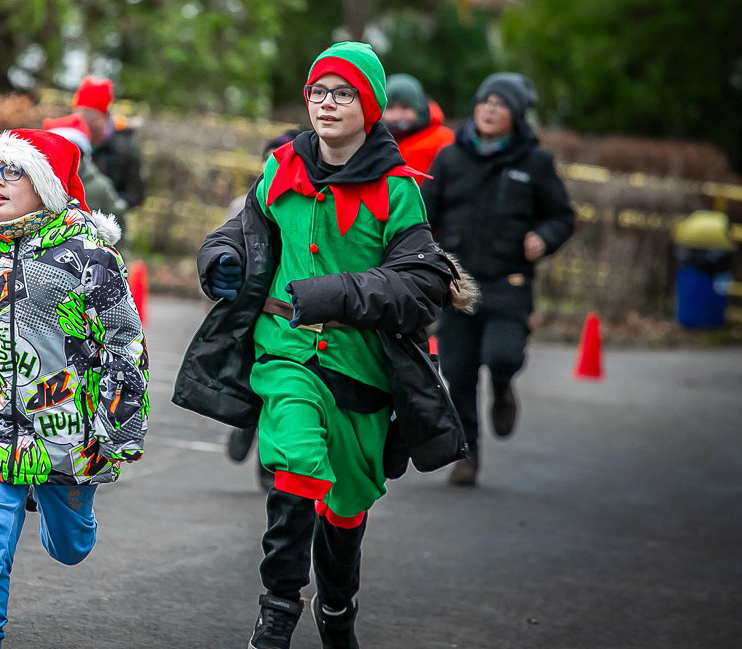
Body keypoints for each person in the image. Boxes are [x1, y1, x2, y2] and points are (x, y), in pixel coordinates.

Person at [173, 42, 475, 649]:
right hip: (283, 349)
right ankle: (277, 611)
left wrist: (333, 294)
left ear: (369, 107)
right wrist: (222, 258)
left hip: (363, 367)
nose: (327, 103)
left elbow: (421, 286)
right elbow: (238, 231)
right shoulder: (279, 167)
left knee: (347, 503)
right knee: (296, 463)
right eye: (318, 92)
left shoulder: (398, 190)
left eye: (343, 93)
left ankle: (336, 608)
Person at [0, 128, 148, 649]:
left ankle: (66, 509)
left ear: (43, 182)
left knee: (70, 549)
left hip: (68, 435)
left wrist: (122, 426)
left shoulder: (92, 257)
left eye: (11, 171)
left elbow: (124, 343)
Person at [421, 73, 575, 487]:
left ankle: (504, 387)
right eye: (484, 101)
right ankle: (467, 455)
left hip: (509, 283)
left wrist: (544, 238)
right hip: (458, 286)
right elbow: (424, 214)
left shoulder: (534, 162)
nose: (489, 109)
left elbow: (562, 216)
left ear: (517, 115)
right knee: (459, 372)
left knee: (502, 355)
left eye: (500, 103)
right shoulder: (451, 158)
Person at [224, 128, 304, 491]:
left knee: (280, 386)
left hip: (286, 310)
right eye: (268, 156)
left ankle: (268, 465)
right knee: (250, 375)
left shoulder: (307, 204)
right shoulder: (245, 203)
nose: (273, 163)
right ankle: (244, 423)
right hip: (247, 307)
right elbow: (223, 244)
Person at [43, 113, 129, 244]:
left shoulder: (100, 187)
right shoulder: (38, 184)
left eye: (71, 156)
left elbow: (118, 225)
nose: (64, 163)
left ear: (83, 158)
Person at [72, 76, 147, 210]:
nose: (87, 132)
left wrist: (111, 205)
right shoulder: (71, 141)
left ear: (105, 119)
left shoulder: (125, 150)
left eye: (93, 127)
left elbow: (136, 195)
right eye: (80, 124)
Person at [382, 73, 455, 182]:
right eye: (390, 107)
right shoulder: (370, 139)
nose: (396, 115)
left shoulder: (444, 140)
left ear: (420, 109)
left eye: (405, 107)